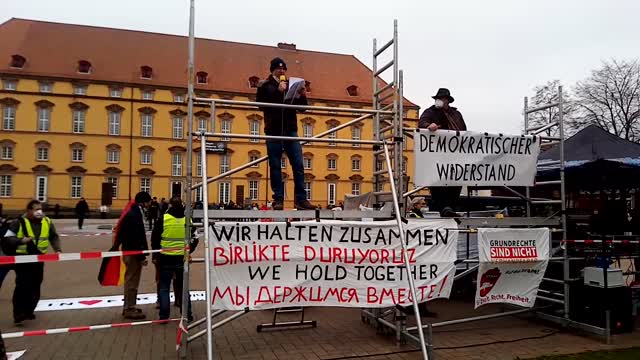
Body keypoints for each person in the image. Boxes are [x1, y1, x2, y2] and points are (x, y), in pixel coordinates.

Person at [256, 57, 315, 211]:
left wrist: (302, 95)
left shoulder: (291, 85)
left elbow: (302, 109)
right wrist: (278, 91)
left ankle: (301, 199)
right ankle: (278, 199)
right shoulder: (265, 85)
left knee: (298, 164)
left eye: (284, 69)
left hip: (290, 129)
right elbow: (261, 105)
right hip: (273, 130)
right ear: (272, 70)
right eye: (279, 69)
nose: (282, 71)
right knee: (275, 165)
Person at [4, 200, 61, 324]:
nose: (39, 211)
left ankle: (29, 310)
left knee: (35, 284)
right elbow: (7, 238)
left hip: (39, 257)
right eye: (36, 209)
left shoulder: (47, 221)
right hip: (22, 258)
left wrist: (57, 249)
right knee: (22, 285)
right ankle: (18, 314)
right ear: (29, 210)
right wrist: (20, 241)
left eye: (40, 209)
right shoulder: (18, 222)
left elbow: (53, 236)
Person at [418, 88, 466, 218]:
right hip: (436, 153)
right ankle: (443, 207)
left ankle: (450, 207)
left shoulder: (456, 114)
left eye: (442, 98)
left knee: (456, 180)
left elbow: (464, 130)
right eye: (437, 99)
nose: (439, 101)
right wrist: (429, 125)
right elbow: (422, 123)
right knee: (437, 179)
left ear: (447, 100)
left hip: (455, 153)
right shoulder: (430, 111)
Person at [151, 197, 198, 321]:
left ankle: (164, 315)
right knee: (184, 288)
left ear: (170, 206)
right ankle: (187, 314)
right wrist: (189, 251)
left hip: (165, 258)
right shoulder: (187, 220)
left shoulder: (163, 219)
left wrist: (155, 255)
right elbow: (195, 238)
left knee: (164, 288)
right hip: (182, 258)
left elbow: (155, 239)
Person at [115, 192, 152, 320]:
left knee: (131, 280)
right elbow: (136, 237)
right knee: (132, 281)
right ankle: (129, 308)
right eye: (148, 202)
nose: (150, 204)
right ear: (144, 202)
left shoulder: (132, 212)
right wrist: (142, 256)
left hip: (130, 251)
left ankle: (130, 305)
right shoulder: (134, 215)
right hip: (133, 253)